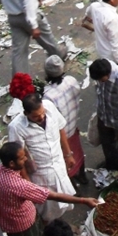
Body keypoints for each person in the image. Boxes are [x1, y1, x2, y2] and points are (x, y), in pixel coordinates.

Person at [0, 142, 97, 236]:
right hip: (21, 224)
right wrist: (83, 200)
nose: (26, 159)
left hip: (7, 219)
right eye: (21, 158)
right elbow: (51, 195)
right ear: (11, 164)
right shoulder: (18, 185)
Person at [8, 93, 76, 222]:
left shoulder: (49, 106)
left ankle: (59, 224)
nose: (41, 117)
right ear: (26, 113)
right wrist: (27, 182)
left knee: (63, 202)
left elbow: (61, 128)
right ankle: (48, 231)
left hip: (59, 165)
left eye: (42, 113)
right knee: (46, 210)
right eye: (36, 116)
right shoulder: (16, 127)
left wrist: (68, 154)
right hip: (40, 174)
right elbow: (18, 156)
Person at [41, 56, 84, 185]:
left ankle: (70, 182)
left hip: (63, 134)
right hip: (73, 124)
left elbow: (53, 120)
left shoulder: (47, 95)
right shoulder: (71, 81)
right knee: (78, 152)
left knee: (67, 157)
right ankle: (82, 176)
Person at [88, 58, 118, 170]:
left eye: (102, 80)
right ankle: (111, 163)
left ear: (108, 74)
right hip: (103, 115)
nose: (100, 82)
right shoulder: (100, 71)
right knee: (106, 142)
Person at [81, 0, 118, 71]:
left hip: (102, 50)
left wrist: (91, 20)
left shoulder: (94, 6)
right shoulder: (112, 19)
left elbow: (87, 13)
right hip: (113, 54)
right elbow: (115, 45)